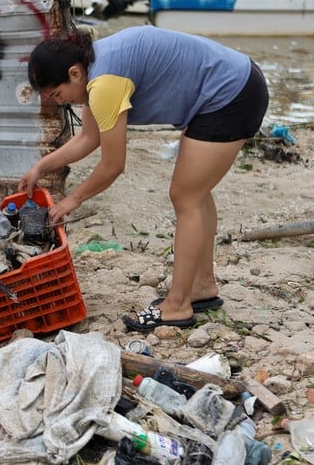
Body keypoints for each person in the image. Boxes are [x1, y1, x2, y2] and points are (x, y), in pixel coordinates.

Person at [19, 25, 269, 332]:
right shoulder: (94, 67)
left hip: (231, 95)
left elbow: (113, 165)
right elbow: (89, 137)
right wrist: (41, 167)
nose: (59, 102)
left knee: (185, 196)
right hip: (234, 82)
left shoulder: (105, 84)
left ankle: (177, 306)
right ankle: (202, 286)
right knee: (196, 192)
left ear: (74, 73)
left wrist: (72, 199)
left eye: (57, 94)